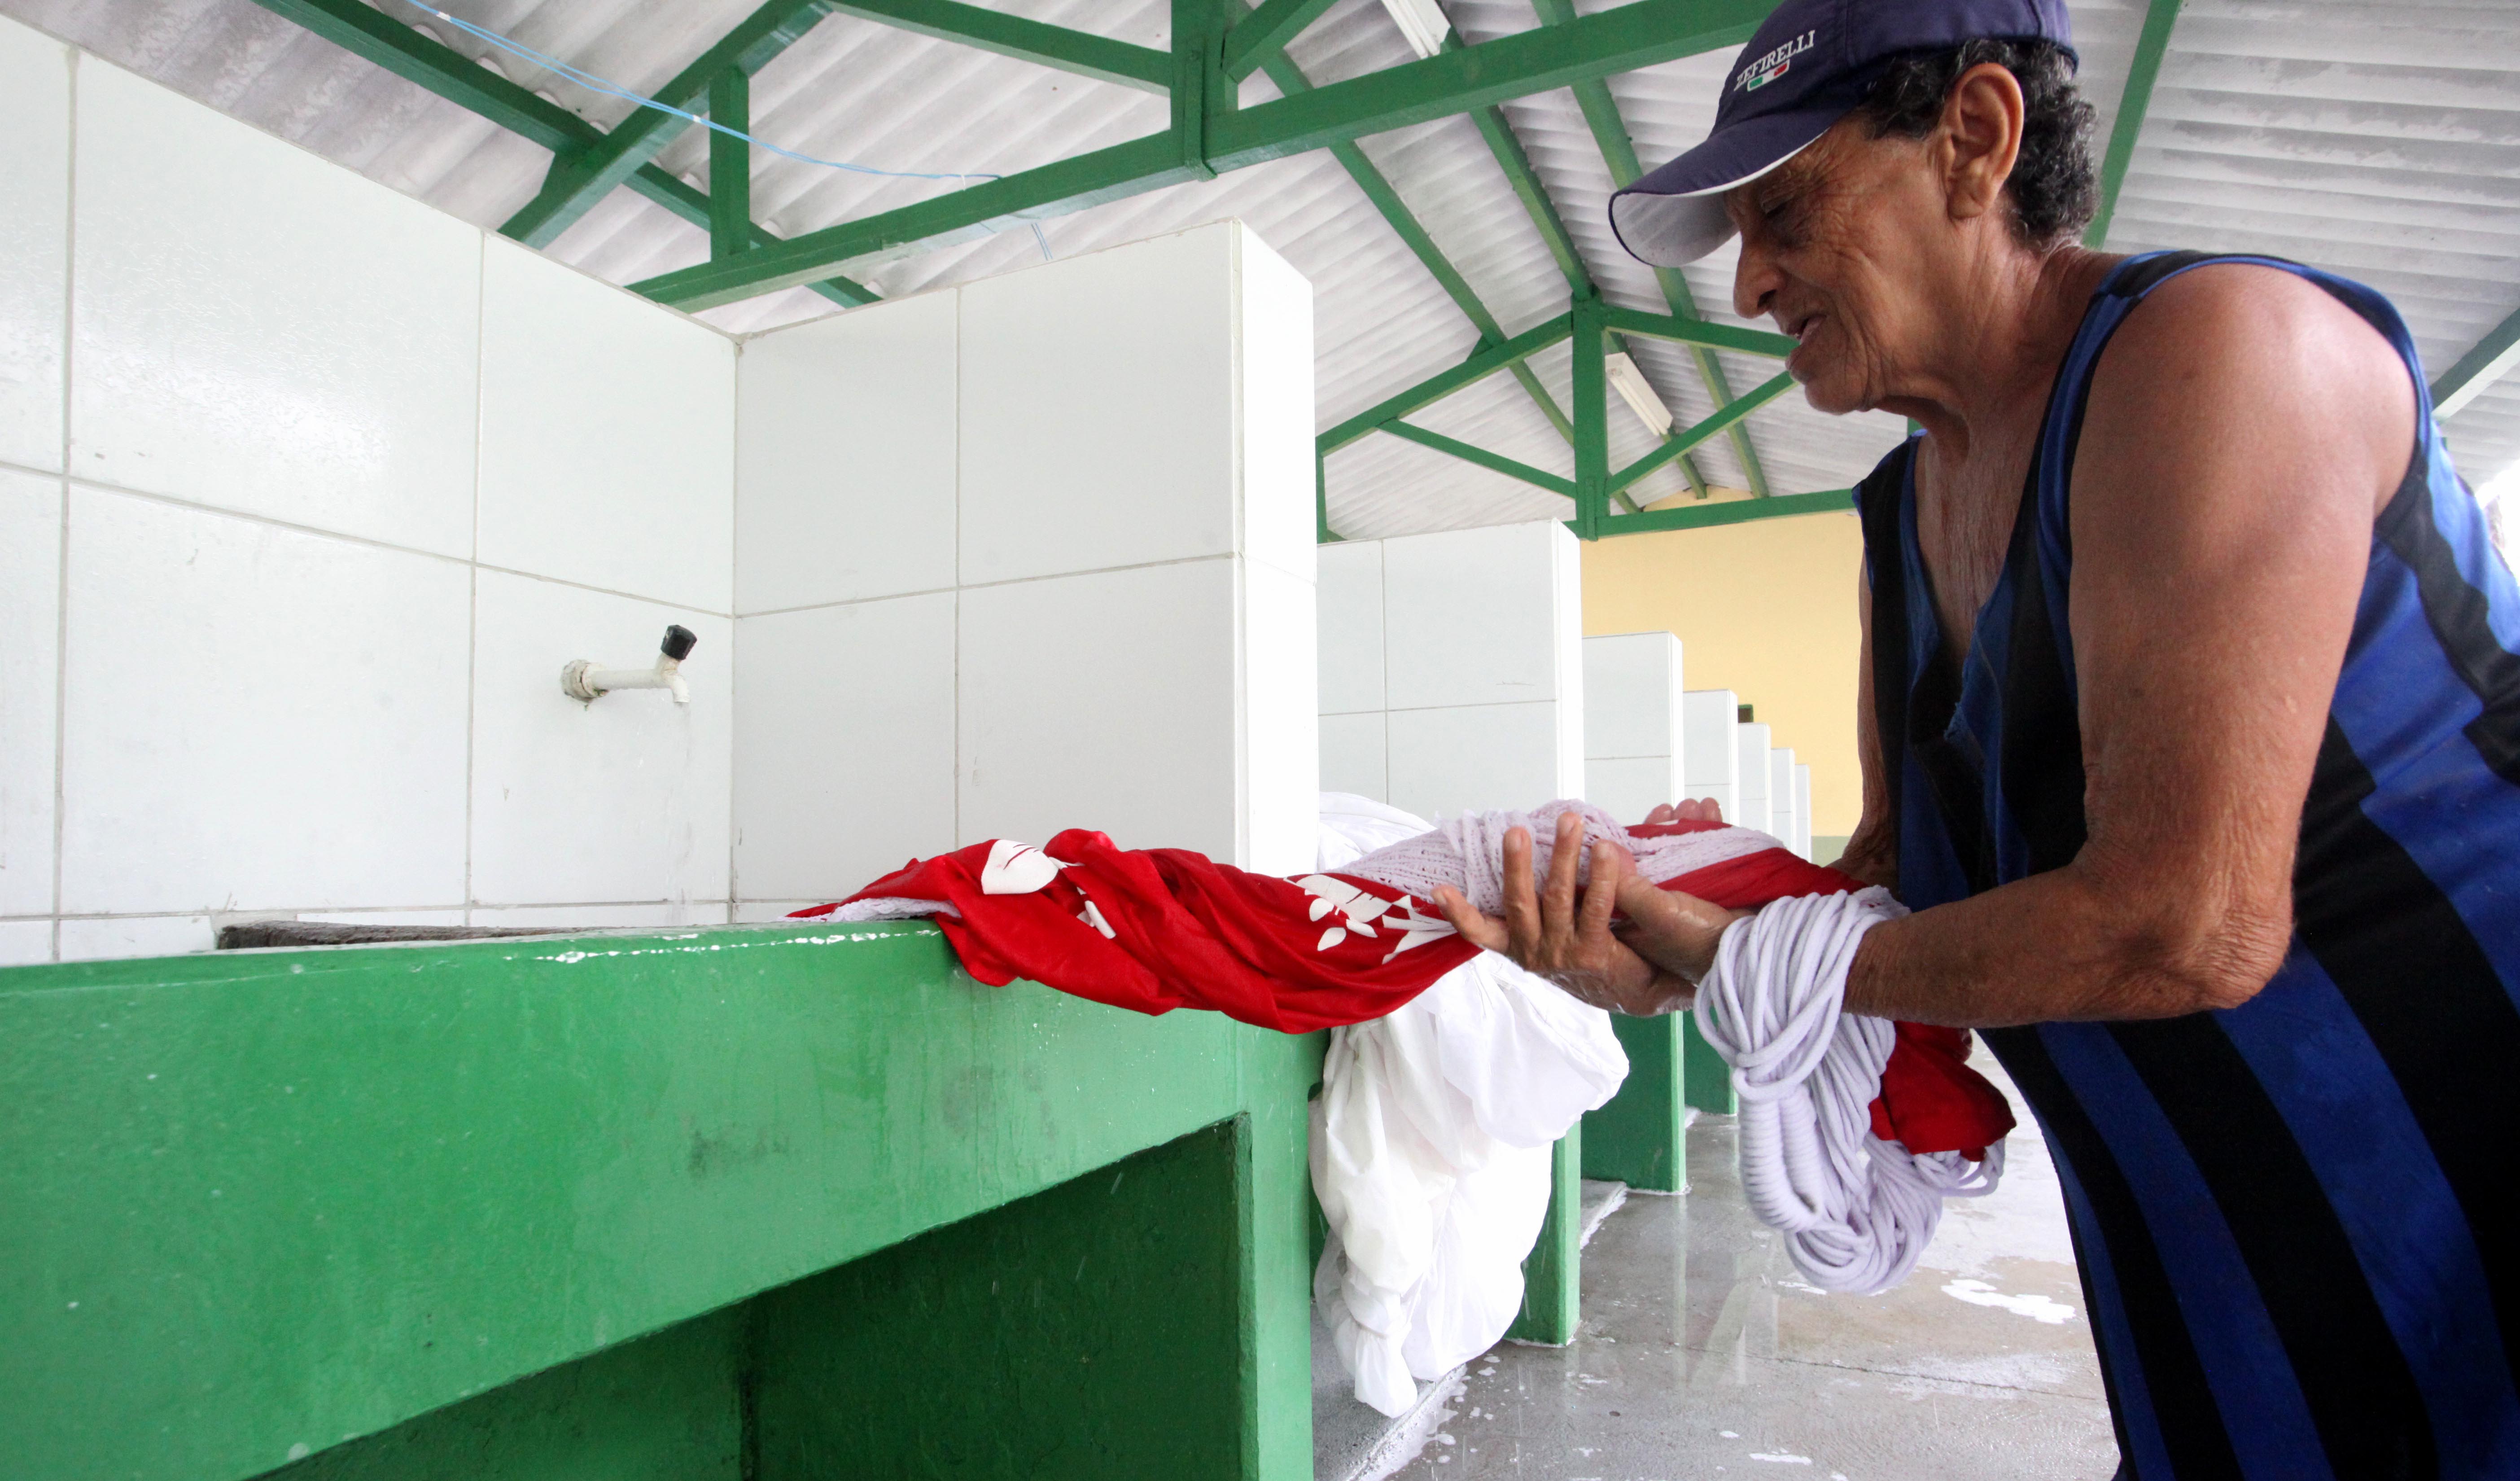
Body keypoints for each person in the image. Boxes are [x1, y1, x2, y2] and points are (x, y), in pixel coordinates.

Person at [1431, 0, 2520, 1475]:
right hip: (2223, 1299)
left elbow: (2187, 920)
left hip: (2464, 1223)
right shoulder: (1899, 516)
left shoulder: (2218, 359)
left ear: (1977, 139)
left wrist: (1748, 956)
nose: (1750, 285)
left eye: (1787, 210)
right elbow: (1893, 897)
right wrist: (1687, 930)